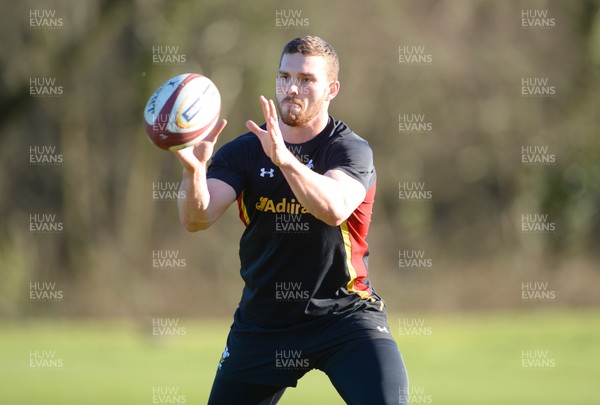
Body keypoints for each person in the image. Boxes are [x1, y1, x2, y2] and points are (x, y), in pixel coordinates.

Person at [174, 35, 409, 405]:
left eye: (305, 79)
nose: (291, 88)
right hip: (264, 322)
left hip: (344, 317)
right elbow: (197, 218)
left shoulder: (348, 149)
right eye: (284, 77)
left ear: (332, 89)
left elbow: (333, 208)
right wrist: (193, 173)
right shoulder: (244, 151)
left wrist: (285, 160)